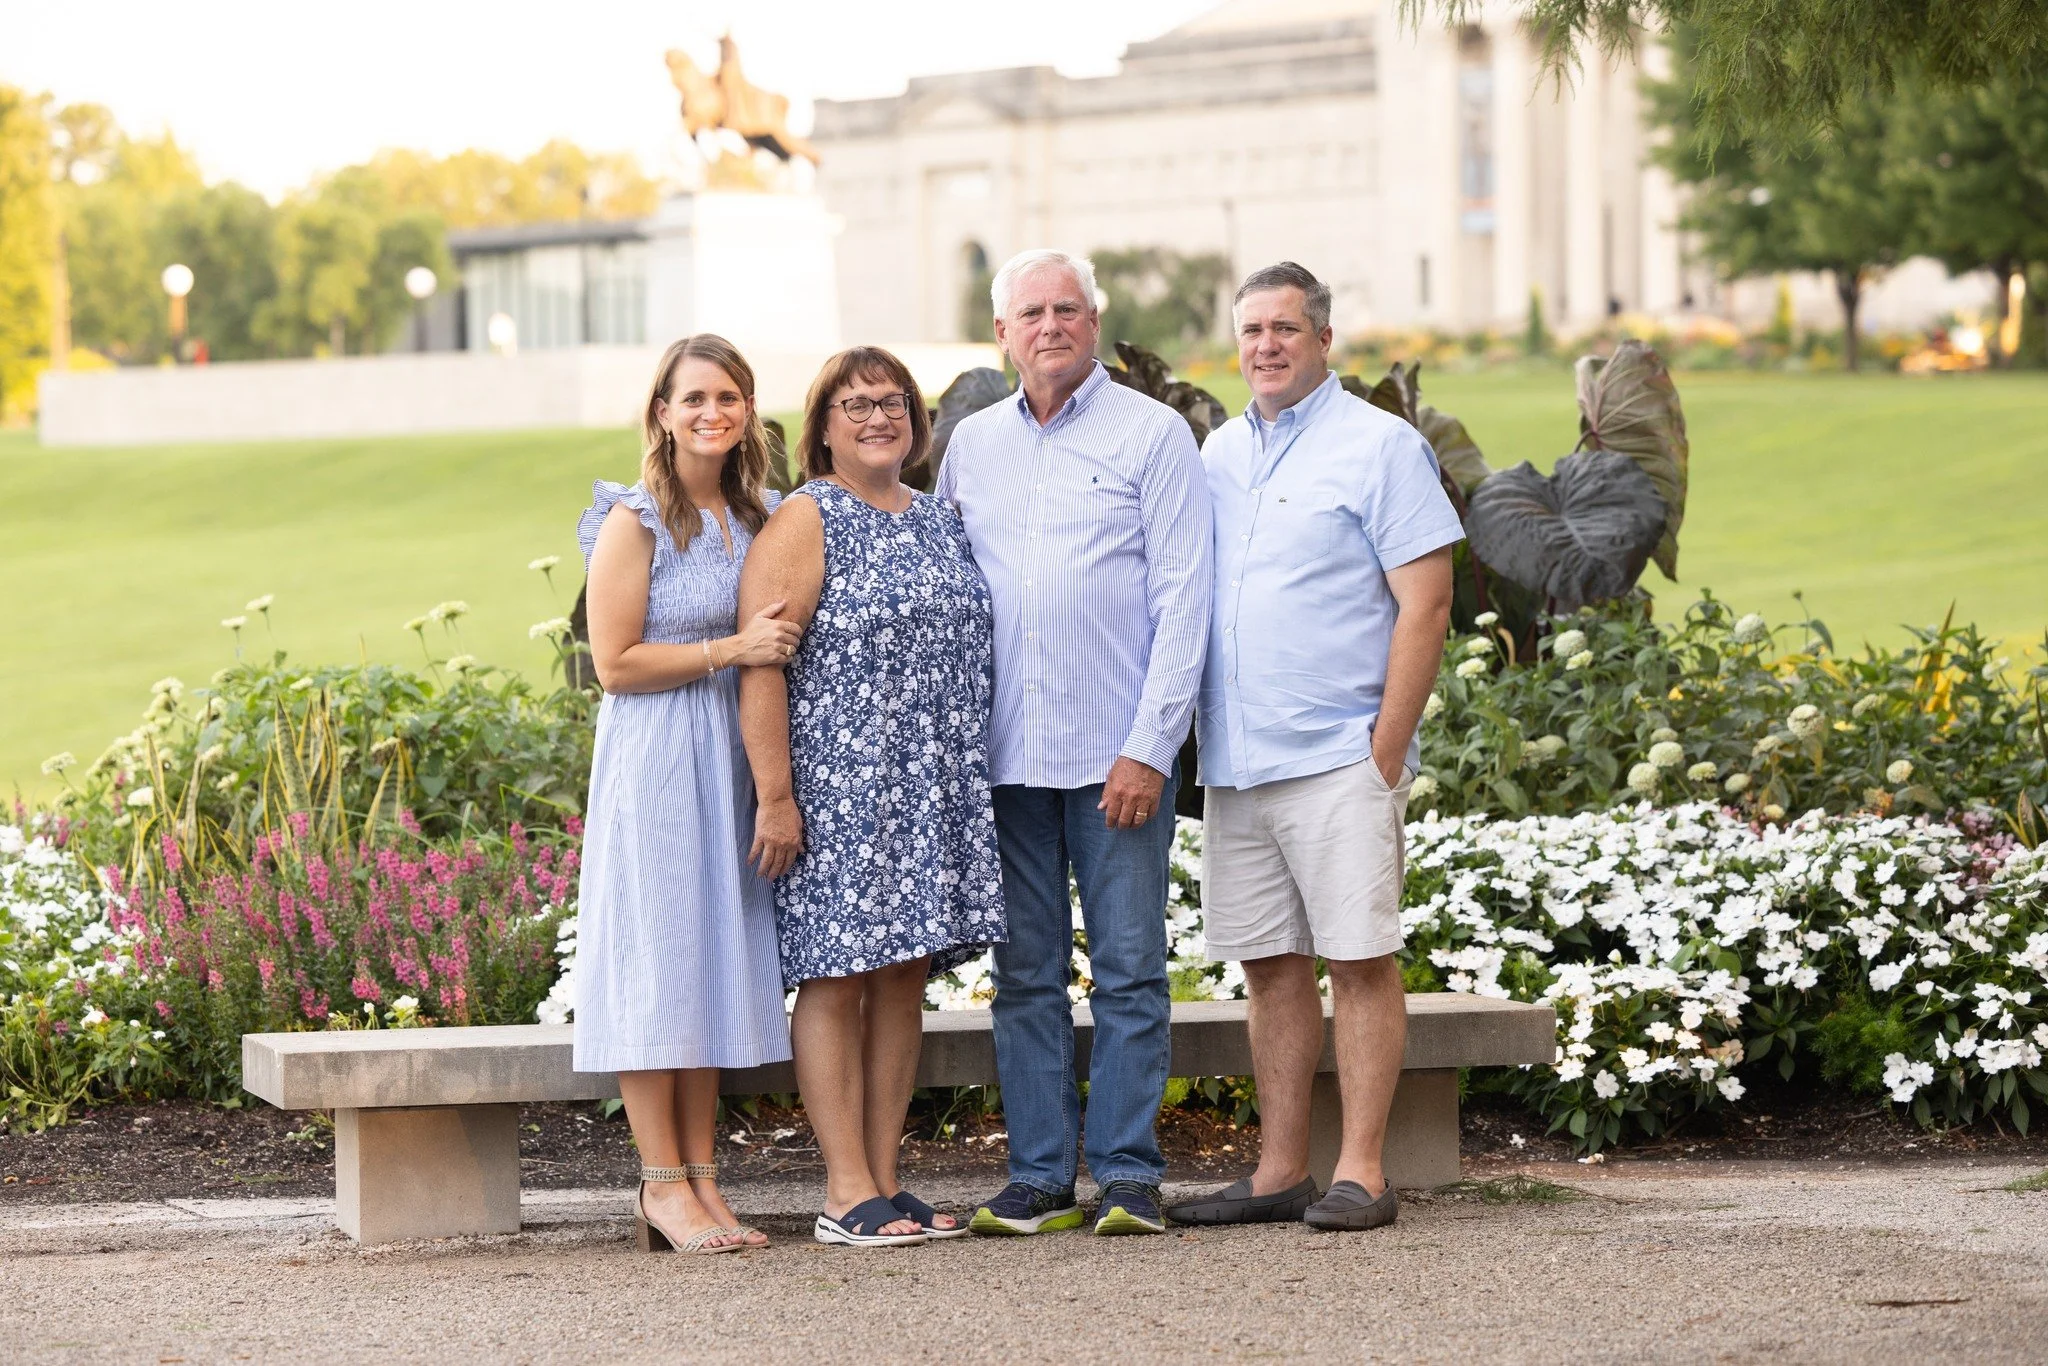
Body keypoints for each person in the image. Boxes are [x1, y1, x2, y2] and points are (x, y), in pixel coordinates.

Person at [1164, 262, 1461, 1233]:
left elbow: (1427, 603)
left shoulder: (1380, 447)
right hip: (1240, 763)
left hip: (1338, 755)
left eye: (1284, 328)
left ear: (1322, 339)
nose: (1264, 346)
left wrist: (1383, 749)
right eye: (1250, 330)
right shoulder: (1215, 456)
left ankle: (1363, 1170)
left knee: (1358, 957)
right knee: (1269, 965)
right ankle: (1279, 1167)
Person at [937, 249, 1212, 1237]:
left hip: (1115, 758)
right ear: (1001, 334)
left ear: (1092, 322)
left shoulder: (1153, 435)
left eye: (1066, 308)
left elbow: (1185, 602)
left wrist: (1149, 746)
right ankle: (1041, 1176)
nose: (1048, 325)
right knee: (1025, 974)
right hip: (1005, 758)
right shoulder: (969, 445)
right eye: (1029, 312)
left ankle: (1130, 1177)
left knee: (1131, 967)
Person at [739, 345, 1007, 1249]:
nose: (878, 418)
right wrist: (776, 797)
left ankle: (887, 1182)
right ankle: (842, 1187)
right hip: (839, 788)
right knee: (838, 974)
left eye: (893, 402)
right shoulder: (807, 518)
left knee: (903, 977)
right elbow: (761, 664)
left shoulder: (938, 520)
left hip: (928, 785)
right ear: (822, 427)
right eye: (854, 406)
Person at [575, 334, 804, 1255]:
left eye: (731, 398)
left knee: (711, 954)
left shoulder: (762, 516)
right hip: (658, 759)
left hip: (732, 758)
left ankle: (707, 1177)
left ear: (749, 411)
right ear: (662, 413)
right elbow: (613, 663)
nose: (714, 412)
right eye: (695, 398)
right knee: (656, 958)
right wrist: (729, 651)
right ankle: (660, 1183)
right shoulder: (634, 522)